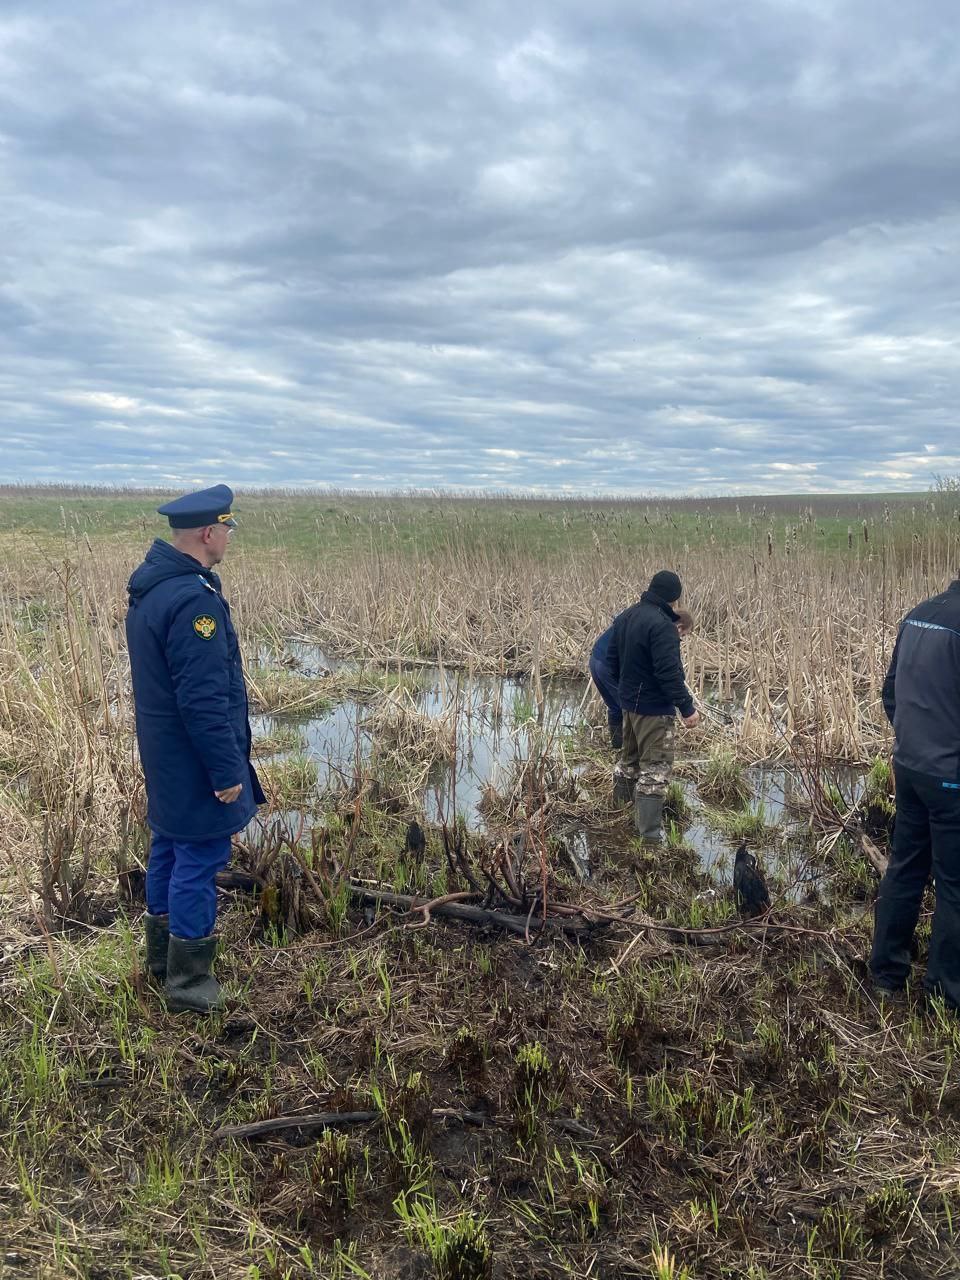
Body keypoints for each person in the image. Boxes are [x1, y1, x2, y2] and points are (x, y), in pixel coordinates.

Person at [126, 484, 265, 1014]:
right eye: (227, 528)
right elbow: (203, 701)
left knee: (168, 848)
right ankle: (189, 984)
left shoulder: (154, 589)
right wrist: (227, 771)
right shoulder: (191, 602)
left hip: (164, 756)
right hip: (192, 760)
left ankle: (162, 963)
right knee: (198, 859)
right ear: (209, 533)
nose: (229, 537)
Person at [870, 576, 960, 1007]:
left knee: (904, 869)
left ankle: (886, 975)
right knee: (954, 885)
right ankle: (943, 996)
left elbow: (890, 694)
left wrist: (913, 741)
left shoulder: (917, 615)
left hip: (908, 767)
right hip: (951, 778)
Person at [608, 571, 700, 842]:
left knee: (628, 763)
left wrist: (626, 693)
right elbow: (669, 673)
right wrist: (687, 708)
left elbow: (612, 662)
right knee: (655, 771)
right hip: (654, 710)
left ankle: (620, 817)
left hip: (629, 706)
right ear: (674, 599)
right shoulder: (663, 626)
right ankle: (649, 840)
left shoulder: (626, 616)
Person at [591, 609, 694, 752]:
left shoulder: (647, 618)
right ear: (679, 627)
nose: (680, 639)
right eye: (682, 636)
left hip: (596, 659)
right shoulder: (661, 630)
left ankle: (617, 748)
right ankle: (632, 752)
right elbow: (664, 671)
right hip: (607, 663)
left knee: (616, 706)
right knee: (630, 709)